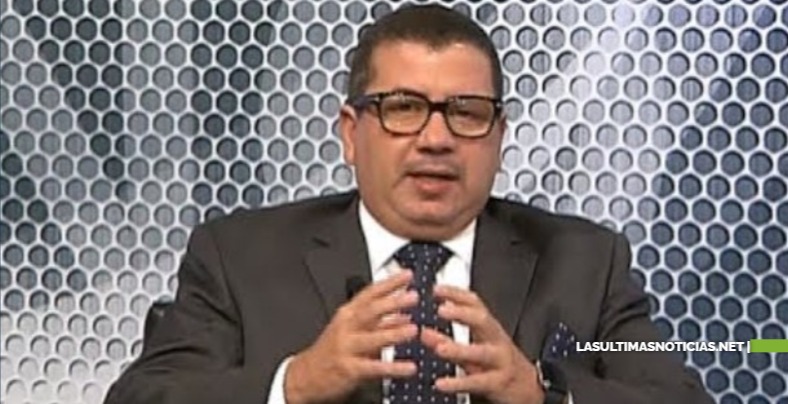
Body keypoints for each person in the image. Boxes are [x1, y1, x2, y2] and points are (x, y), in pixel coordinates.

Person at [105, 4, 713, 404]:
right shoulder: (240, 257)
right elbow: (144, 398)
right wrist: (296, 383)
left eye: (466, 113)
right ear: (351, 133)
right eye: (403, 108)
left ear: (499, 137)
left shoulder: (584, 263)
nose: (436, 138)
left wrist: (540, 394)